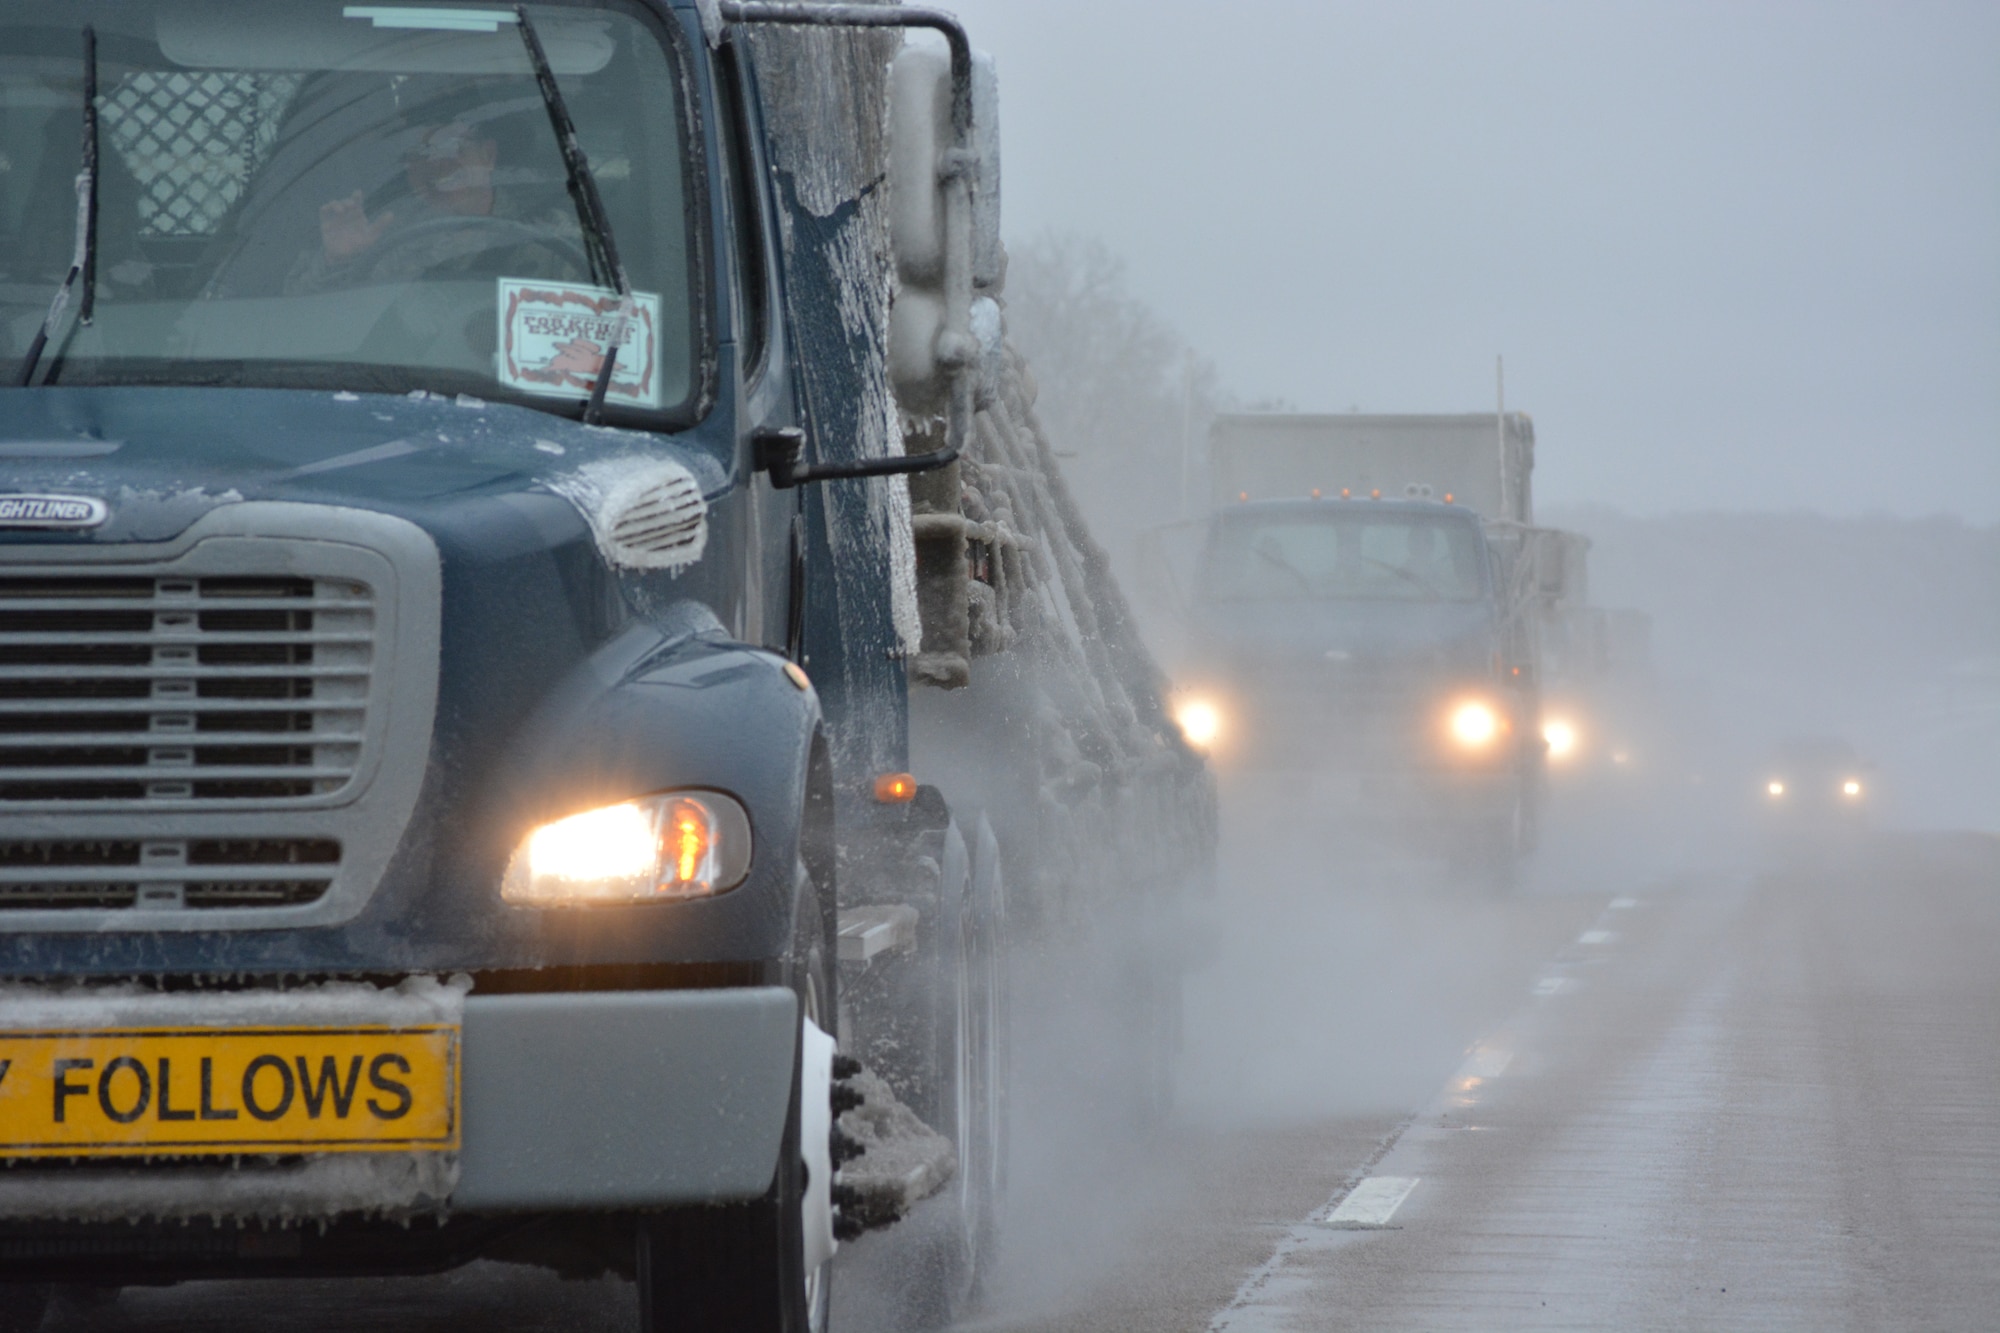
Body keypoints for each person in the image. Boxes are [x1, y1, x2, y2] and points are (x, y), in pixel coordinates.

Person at [286, 110, 581, 293]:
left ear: (488, 156)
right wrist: (339, 261)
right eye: (419, 154)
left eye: (451, 147)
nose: (437, 164)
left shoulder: (547, 232)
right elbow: (300, 320)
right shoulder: (379, 233)